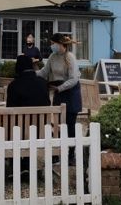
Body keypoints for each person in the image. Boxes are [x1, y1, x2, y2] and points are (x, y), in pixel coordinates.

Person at [37, 33, 82, 163]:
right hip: (58, 91)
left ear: (60, 44)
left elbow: (74, 79)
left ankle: (71, 155)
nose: (52, 46)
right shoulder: (52, 56)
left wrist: (60, 88)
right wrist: (29, 73)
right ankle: (56, 153)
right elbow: (44, 72)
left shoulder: (70, 57)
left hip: (70, 92)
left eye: (53, 43)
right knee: (57, 125)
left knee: (70, 125)